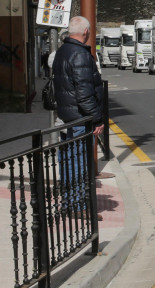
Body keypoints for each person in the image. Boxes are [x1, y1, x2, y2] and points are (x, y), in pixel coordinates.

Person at [52, 16, 105, 215]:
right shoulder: (80, 54)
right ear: (86, 32)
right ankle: (78, 207)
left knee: (67, 161)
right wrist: (97, 119)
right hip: (80, 119)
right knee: (79, 163)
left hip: (65, 117)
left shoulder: (61, 52)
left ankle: (68, 202)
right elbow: (84, 95)